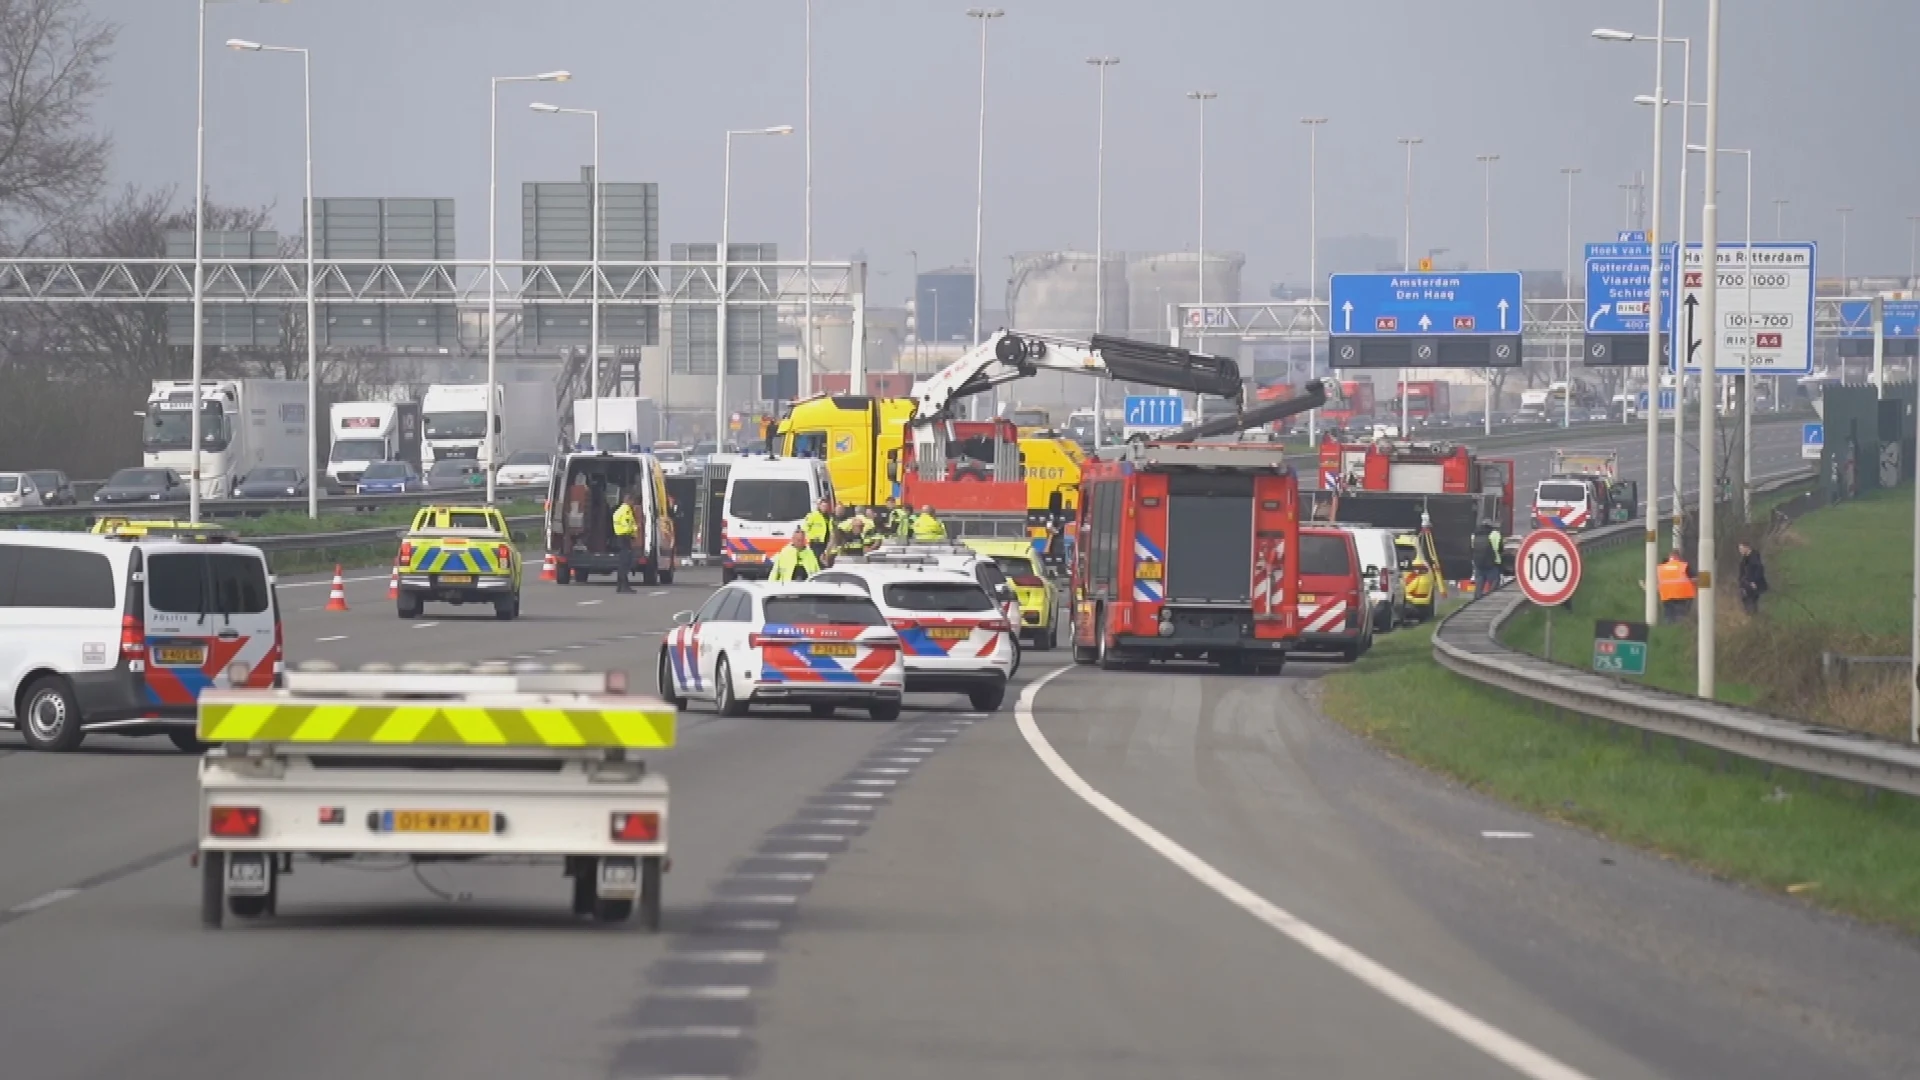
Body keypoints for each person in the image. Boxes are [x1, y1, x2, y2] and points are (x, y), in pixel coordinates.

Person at [611, 491, 640, 593]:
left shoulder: (619, 510)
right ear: (629, 500)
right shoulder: (627, 510)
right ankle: (624, 586)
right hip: (625, 537)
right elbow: (627, 524)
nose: (633, 503)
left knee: (622, 562)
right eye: (633, 501)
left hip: (620, 536)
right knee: (625, 563)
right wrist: (633, 532)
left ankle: (620, 586)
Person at [1656, 550, 1696, 623]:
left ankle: (1670, 626)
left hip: (1666, 594)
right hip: (1682, 594)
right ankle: (1680, 626)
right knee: (1681, 614)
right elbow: (1693, 579)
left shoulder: (1661, 567)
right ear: (1678, 557)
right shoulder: (1683, 566)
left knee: (1669, 614)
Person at [1738, 541, 1769, 616]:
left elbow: (1759, 570)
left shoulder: (1754, 557)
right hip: (1746, 584)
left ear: (1747, 547)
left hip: (1754, 584)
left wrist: (1754, 582)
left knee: (1752, 601)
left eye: (1741, 549)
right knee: (1745, 599)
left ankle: (1753, 617)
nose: (1740, 551)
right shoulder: (1745, 559)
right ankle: (1750, 616)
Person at [1472, 522, 1501, 598]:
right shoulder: (1495, 534)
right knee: (1494, 582)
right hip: (1492, 563)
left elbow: (1472, 548)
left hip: (1478, 563)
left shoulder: (1474, 535)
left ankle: (1477, 598)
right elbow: (1499, 548)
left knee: (1479, 583)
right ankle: (1491, 599)